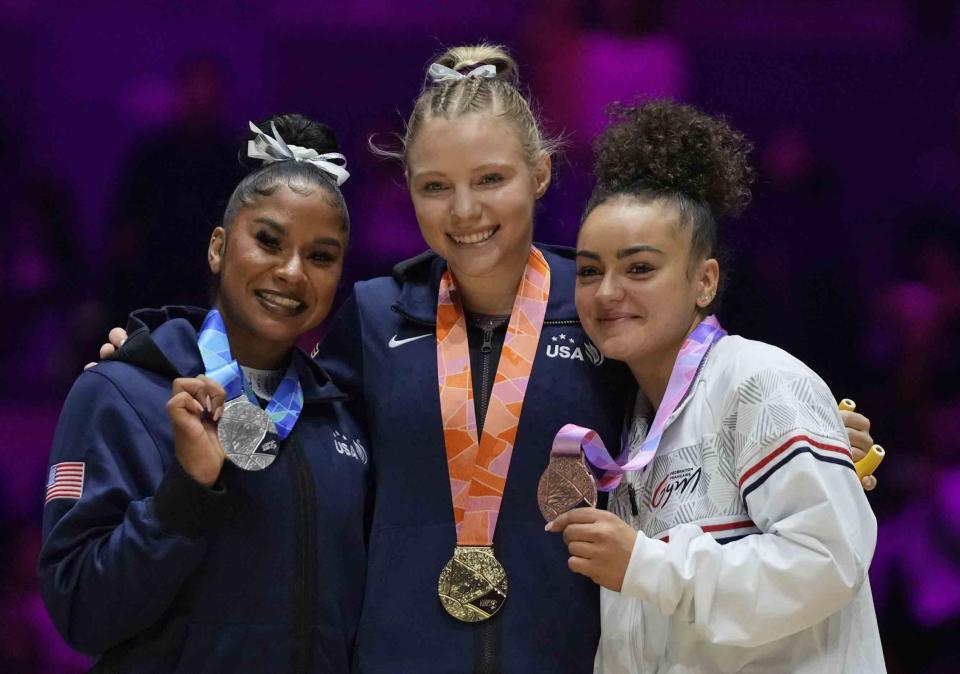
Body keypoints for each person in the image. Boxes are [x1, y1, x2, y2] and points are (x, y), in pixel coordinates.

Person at [94, 46, 879, 672]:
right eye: (435, 186)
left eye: (491, 180)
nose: (464, 212)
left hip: (571, 657)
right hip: (400, 657)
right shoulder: (371, 314)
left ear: (539, 173)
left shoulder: (605, 302)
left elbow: (697, 401)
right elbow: (280, 415)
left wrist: (821, 430)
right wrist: (160, 349)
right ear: (406, 190)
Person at [546, 100, 884, 672]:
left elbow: (828, 559)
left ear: (704, 281)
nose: (606, 292)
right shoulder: (629, 425)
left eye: (639, 268)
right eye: (588, 270)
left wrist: (648, 566)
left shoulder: (761, 382)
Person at [39, 114, 369, 672]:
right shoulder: (119, 393)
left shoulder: (343, 419)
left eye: (321, 256)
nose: (292, 272)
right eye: (268, 241)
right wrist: (185, 491)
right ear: (218, 248)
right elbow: (80, 611)